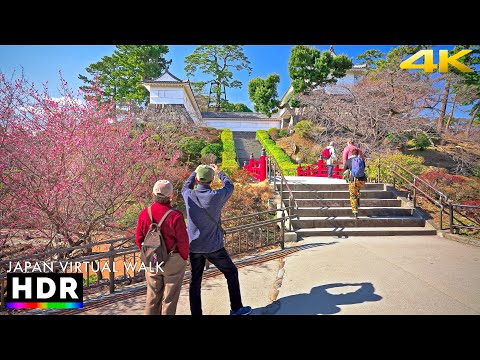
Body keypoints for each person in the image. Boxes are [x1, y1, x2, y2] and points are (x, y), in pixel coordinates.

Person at [182, 164, 252, 316]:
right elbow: (230, 186)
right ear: (212, 181)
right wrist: (220, 172)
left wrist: (195, 171)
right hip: (214, 247)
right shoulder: (216, 196)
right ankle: (236, 308)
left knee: (195, 281)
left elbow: (185, 186)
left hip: (194, 246)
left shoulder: (188, 195)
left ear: (196, 179)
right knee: (231, 272)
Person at [135, 179, 189, 315]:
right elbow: (183, 241)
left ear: (152, 193)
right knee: (170, 299)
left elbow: (139, 239)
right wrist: (184, 258)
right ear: (171, 196)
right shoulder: (176, 216)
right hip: (173, 260)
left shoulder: (144, 214)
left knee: (152, 298)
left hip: (152, 261)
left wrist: (148, 255)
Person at [343, 149, 367, 218]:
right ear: (358, 153)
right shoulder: (361, 160)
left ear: (351, 154)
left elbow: (345, 170)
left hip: (353, 180)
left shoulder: (349, 160)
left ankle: (355, 212)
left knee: (353, 196)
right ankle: (358, 198)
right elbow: (363, 168)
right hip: (361, 180)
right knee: (357, 190)